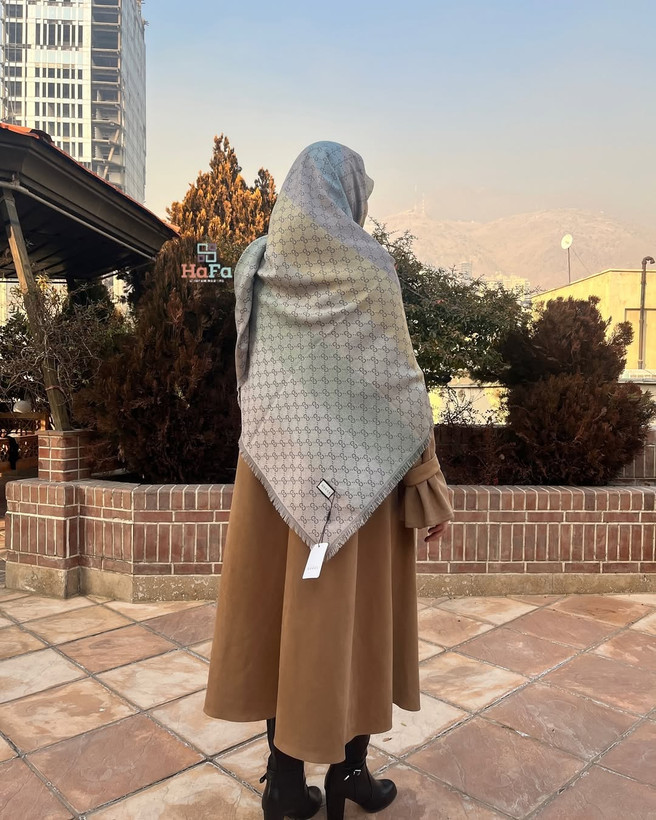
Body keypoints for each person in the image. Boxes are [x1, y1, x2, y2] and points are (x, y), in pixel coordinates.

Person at [204, 141, 454, 820]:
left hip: (275, 476)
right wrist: (427, 483)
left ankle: (285, 786)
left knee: (283, 619)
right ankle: (350, 772)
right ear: (350, 195)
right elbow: (400, 382)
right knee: (356, 623)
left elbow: (249, 367)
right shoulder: (371, 267)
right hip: (360, 482)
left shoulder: (257, 265)